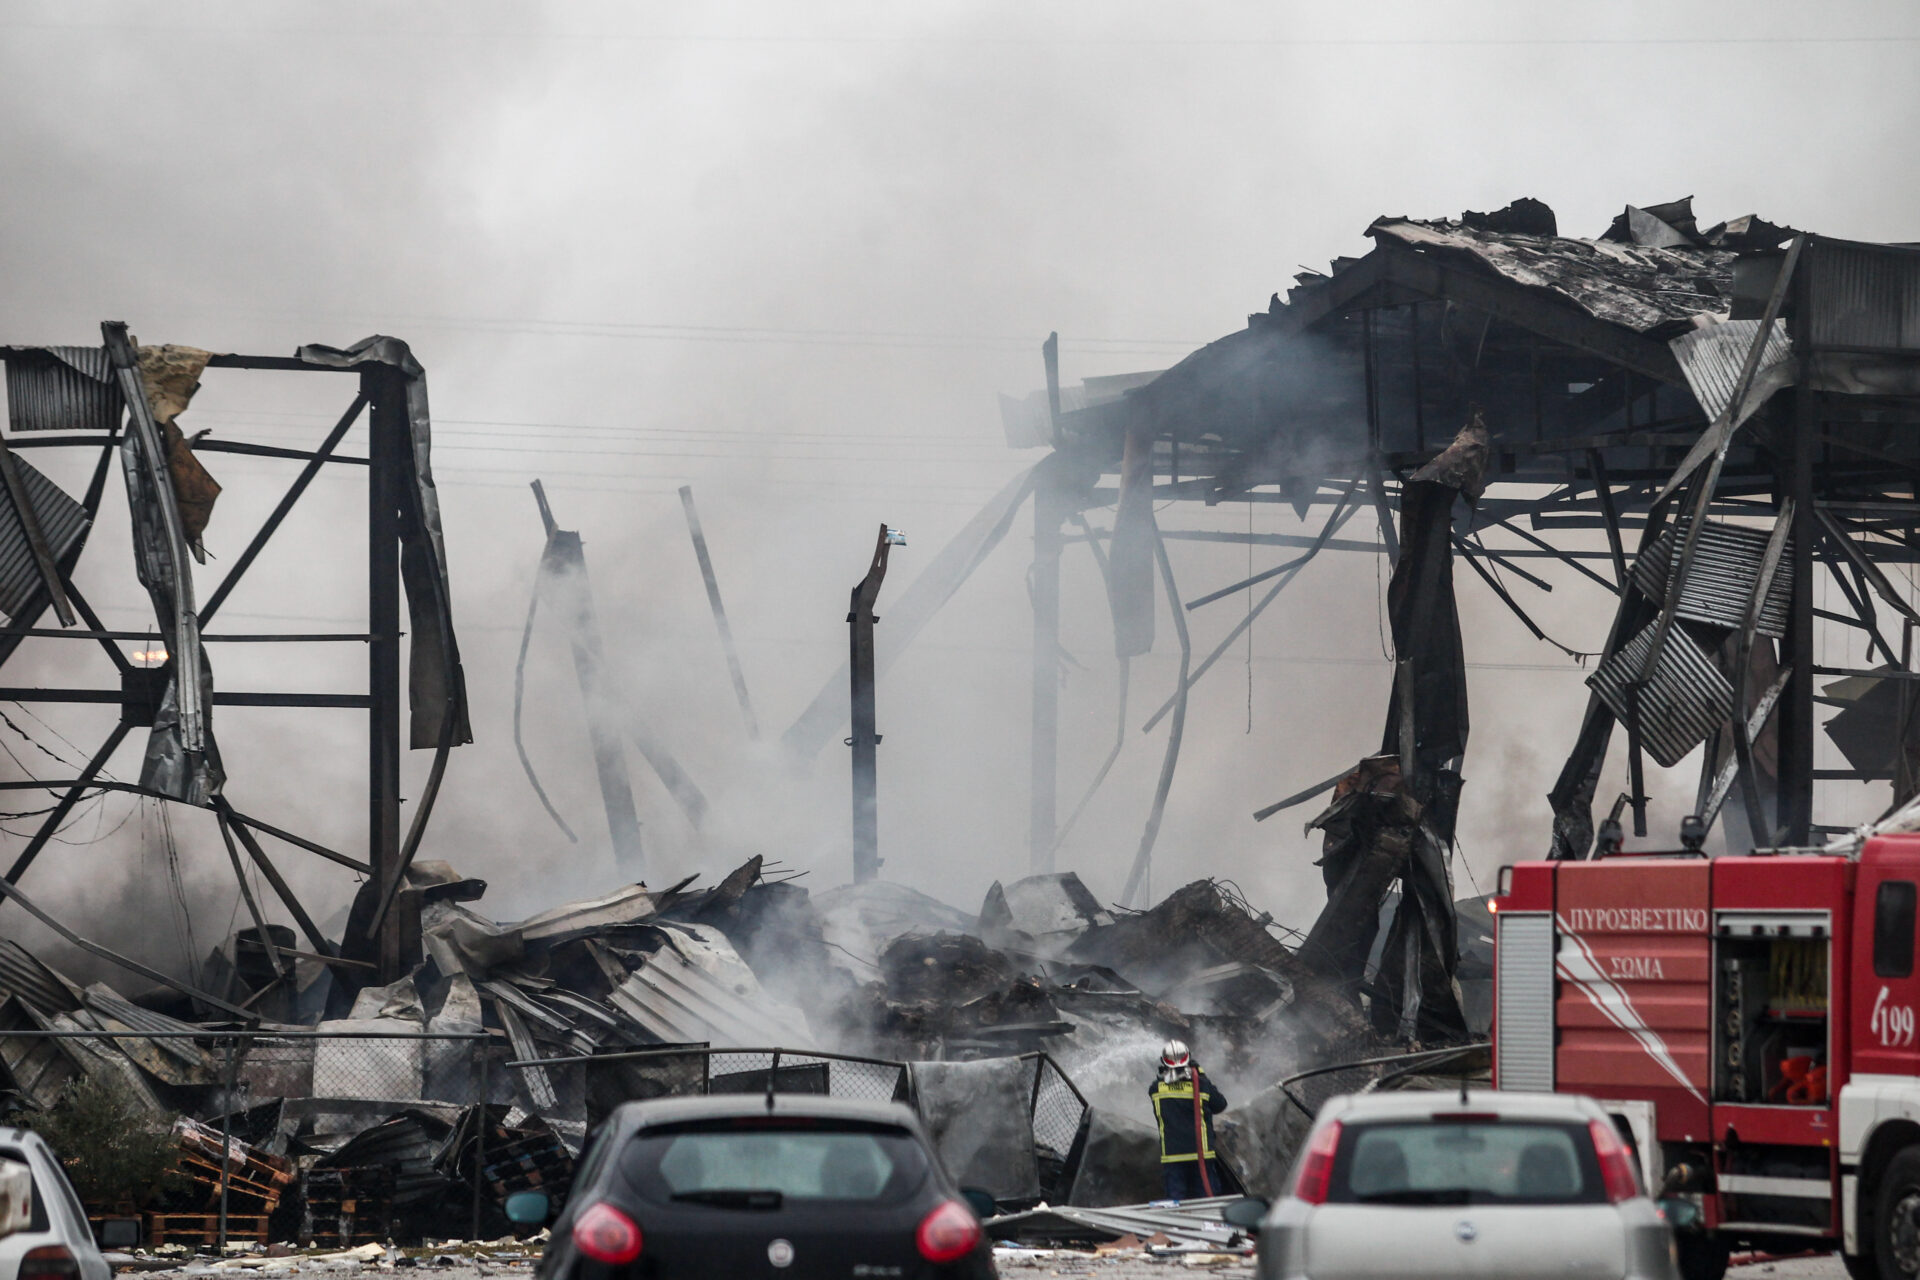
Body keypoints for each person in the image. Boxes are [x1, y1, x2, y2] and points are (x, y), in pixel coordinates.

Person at [1149, 1039, 1228, 1200]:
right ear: (1188, 1059)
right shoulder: (1201, 1086)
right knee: (1206, 1202)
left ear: (1164, 1062)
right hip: (1201, 1155)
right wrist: (1202, 1076)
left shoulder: (1156, 1088)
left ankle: (1177, 1225)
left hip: (1172, 1156)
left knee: (1175, 1202)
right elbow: (1220, 1104)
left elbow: (1163, 1082)